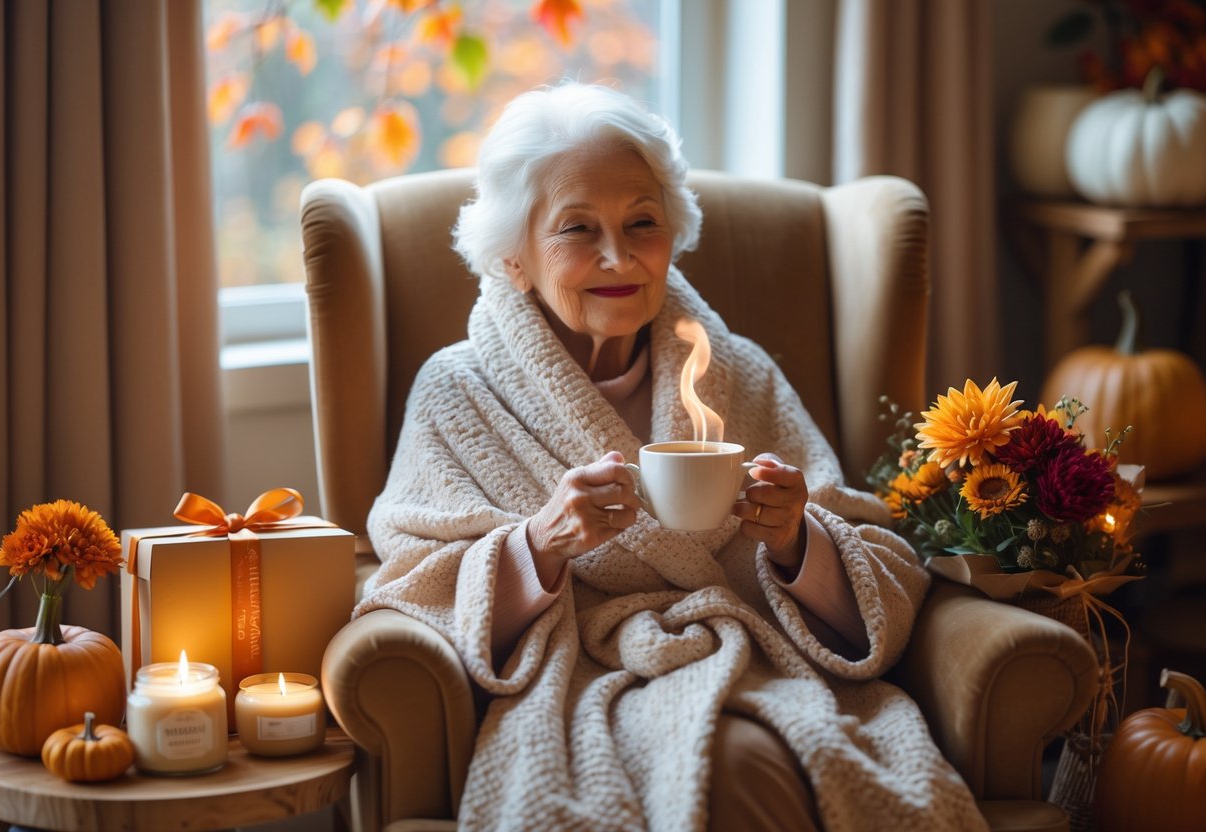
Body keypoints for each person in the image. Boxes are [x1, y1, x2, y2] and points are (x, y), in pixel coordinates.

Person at [357, 82, 986, 832]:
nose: (617, 256)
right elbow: (409, 576)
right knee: (728, 774)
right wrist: (541, 543)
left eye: (641, 222)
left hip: (755, 664)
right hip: (577, 681)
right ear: (513, 256)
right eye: (577, 229)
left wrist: (796, 539)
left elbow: (872, 547)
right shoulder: (457, 391)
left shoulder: (739, 371)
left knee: (759, 763)